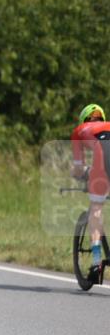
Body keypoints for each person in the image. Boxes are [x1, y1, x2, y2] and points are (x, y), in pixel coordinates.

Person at [70, 103, 110, 281]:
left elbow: (78, 169)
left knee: (96, 209)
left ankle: (96, 261)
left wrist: (83, 174)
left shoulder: (79, 131)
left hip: (103, 162)